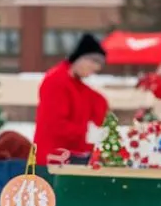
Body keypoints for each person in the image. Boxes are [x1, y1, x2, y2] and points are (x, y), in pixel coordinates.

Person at [32, 33, 110, 165]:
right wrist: (86, 132)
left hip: (71, 156)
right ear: (82, 59)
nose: (91, 73)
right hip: (53, 159)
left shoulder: (77, 85)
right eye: (92, 68)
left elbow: (98, 104)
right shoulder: (56, 81)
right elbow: (55, 124)